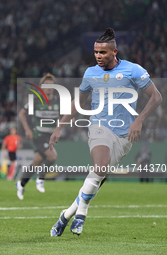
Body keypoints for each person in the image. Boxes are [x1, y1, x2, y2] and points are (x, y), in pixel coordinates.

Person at [49, 28, 162, 237]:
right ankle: (81, 214)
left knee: (98, 178)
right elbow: (78, 102)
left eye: (103, 53)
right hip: (99, 127)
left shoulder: (133, 70)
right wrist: (59, 126)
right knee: (99, 167)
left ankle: (65, 215)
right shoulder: (90, 73)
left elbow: (156, 97)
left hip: (125, 136)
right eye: (96, 52)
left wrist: (139, 119)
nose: (98, 56)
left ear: (115, 52)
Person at [16, 73, 58, 200]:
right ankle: (41, 178)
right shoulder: (35, 100)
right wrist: (27, 129)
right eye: (46, 85)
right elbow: (21, 114)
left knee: (36, 162)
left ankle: (21, 183)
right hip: (38, 135)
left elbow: (62, 117)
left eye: (51, 85)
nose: (49, 87)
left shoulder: (58, 101)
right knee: (52, 157)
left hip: (49, 136)